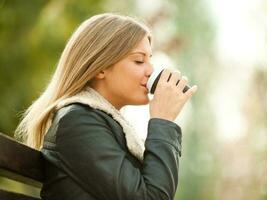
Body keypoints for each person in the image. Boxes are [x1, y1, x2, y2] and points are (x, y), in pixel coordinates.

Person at [15, 13, 197, 200]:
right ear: (101, 67)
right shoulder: (78, 123)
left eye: (150, 59)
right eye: (139, 61)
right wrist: (162, 121)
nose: (151, 70)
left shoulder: (101, 124)